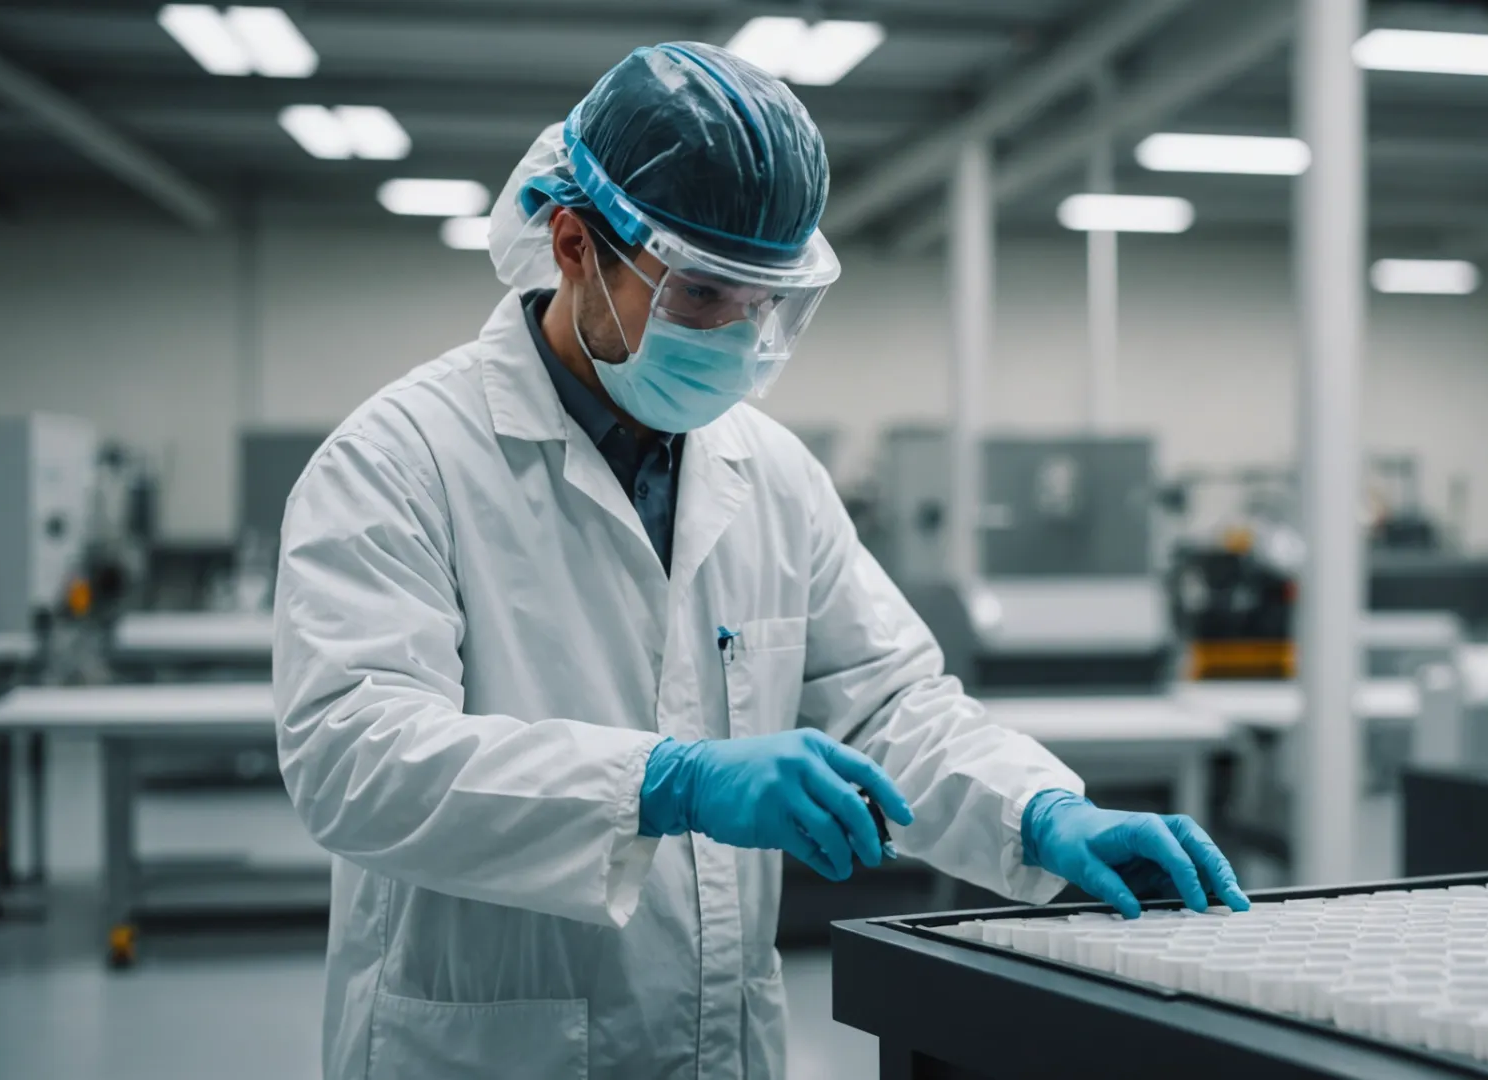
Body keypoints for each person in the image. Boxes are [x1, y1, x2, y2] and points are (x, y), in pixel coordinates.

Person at [273, 41, 1248, 1080]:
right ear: (572, 245)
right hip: (485, 1046)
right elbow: (353, 758)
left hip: (713, 1042)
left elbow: (885, 705)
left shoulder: (770, 472)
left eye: (763, 300)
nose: (739, 333)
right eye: (703, 294)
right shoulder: (399, 459)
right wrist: (664, 782)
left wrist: (1043, 814)